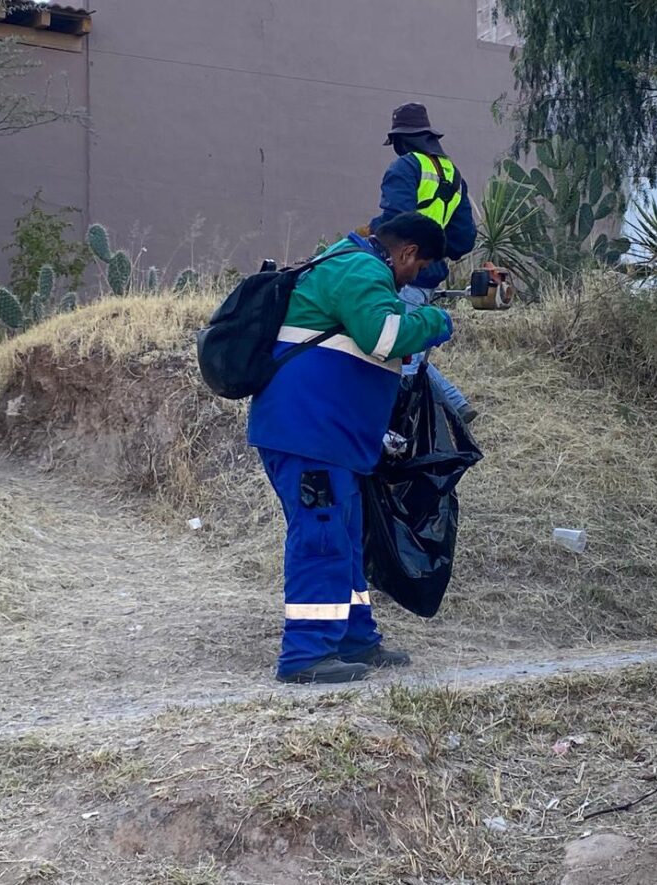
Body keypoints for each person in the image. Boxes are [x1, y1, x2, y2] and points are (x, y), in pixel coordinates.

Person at [248, 212, 454, 684]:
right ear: (406, 253)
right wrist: (436, 320)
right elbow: (383, 337)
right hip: (309, 436)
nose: (412, 281)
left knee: (343, 536)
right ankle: (305, 655)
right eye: (417, 270)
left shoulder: (347, 265)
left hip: (325, 436)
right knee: (321, 539)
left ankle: (354, 637)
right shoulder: (360, 270)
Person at [370, 102, 478, 423]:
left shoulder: (404, 168)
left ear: (403, 140)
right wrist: (431, 253)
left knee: (399, 358)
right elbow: (463, 240)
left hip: (401, 276)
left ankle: (435, 415)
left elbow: (395, 223)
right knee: (409, 350)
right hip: (428, 280)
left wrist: (370, 237)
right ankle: (456, 405)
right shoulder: (454, 176)